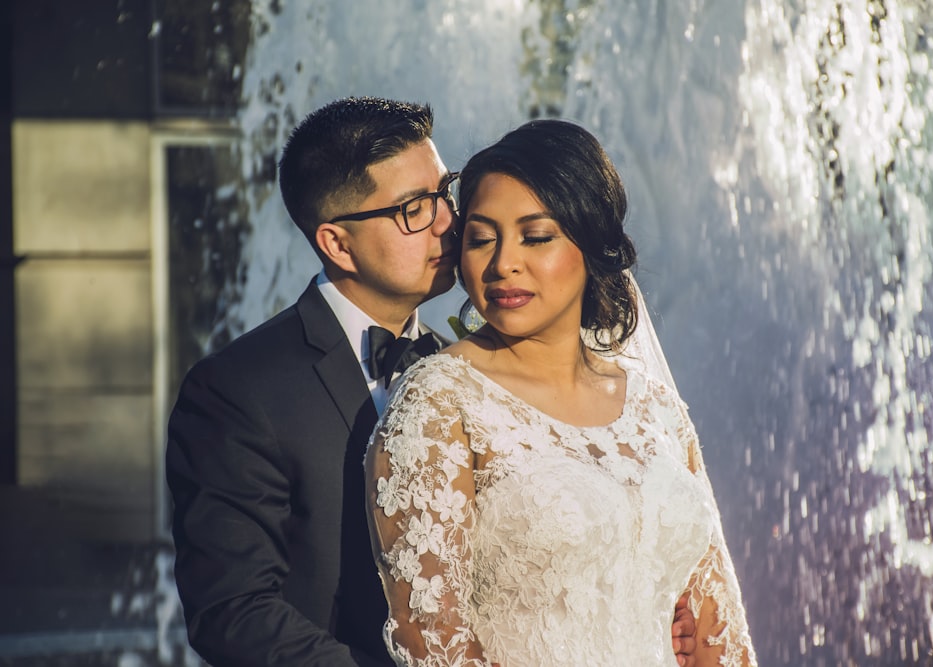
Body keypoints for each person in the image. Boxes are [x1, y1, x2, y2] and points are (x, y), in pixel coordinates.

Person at [165, 98, 698, 666]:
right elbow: (234, 612)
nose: (449, 222)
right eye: (415, 209)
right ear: (337, 243)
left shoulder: (479, 383)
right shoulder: (238, 390)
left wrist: (640, 609)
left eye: (444, 194)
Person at [365, 119, 757, 666]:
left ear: (590, 244)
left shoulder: (655, 408)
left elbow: (720, 629)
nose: (503, 263)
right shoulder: (438, 402)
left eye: (536, 236)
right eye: (481, 239)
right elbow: (433, 641)